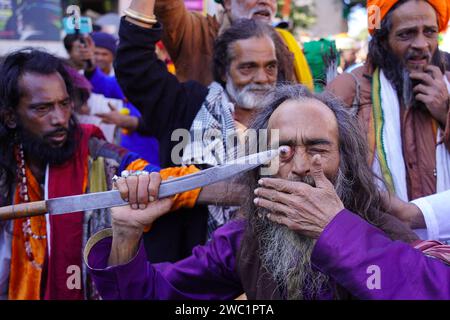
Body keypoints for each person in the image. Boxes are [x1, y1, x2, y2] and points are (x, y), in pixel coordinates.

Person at [83, 84, 440, 300]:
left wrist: (336, 231)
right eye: (280, 151)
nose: (300, 166)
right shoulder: (246, 240)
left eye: (317, 149)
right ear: (260, 162)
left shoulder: (385, 235)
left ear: (344, 160)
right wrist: (127, 236)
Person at [0, 49, 202, 300]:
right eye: (43, 109)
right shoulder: (6, 164)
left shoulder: (94, 152)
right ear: (10, 117)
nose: (60, 119)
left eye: (64, 104)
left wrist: (230, 186)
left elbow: (155, 176)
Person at [327, 0, 450, 243]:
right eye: (406, 34)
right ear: (383, 39)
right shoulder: (348, 89)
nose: (422, 45)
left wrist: (446, 112)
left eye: (430, 32)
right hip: (377, 250)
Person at [143, 0, 313, 88]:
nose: (265, 1)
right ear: (228, 3)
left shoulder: (285, 44)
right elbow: (164, 6)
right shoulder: (194, 32)